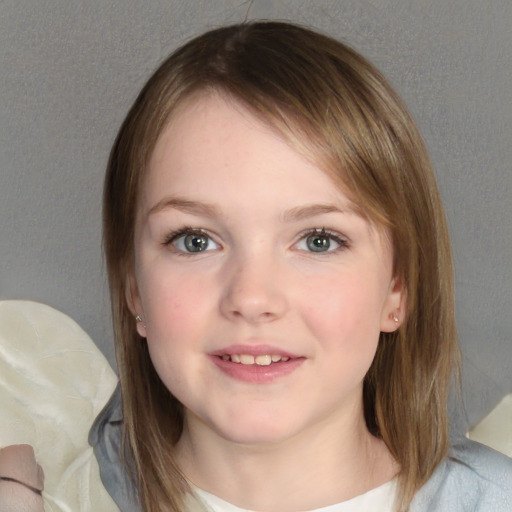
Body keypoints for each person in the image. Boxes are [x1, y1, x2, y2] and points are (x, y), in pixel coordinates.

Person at [91, 21, 512, 512]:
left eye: (317, 241)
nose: (252, 298)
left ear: (397, 288)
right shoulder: (63, 495)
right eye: (195, 240)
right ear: (134, 288)